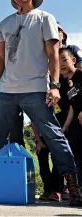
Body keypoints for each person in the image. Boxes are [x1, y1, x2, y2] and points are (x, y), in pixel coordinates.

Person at [0, 0, 82, 206]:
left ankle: (74, 189)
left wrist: (54, 85)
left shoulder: (45, 18)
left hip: (36, 88)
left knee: (54, 136)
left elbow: (53, 54)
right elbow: (0, 58)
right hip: (7, 91)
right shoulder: (5, 23)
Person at [59, 47, 82, 192]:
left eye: (64, 60)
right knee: (77, 157)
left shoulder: (80, 75)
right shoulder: (64, 85)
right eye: (58, 61)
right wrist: (64, 128)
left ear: (73, 60)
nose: (61, 64)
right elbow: (72, 108)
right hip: (75, 126)